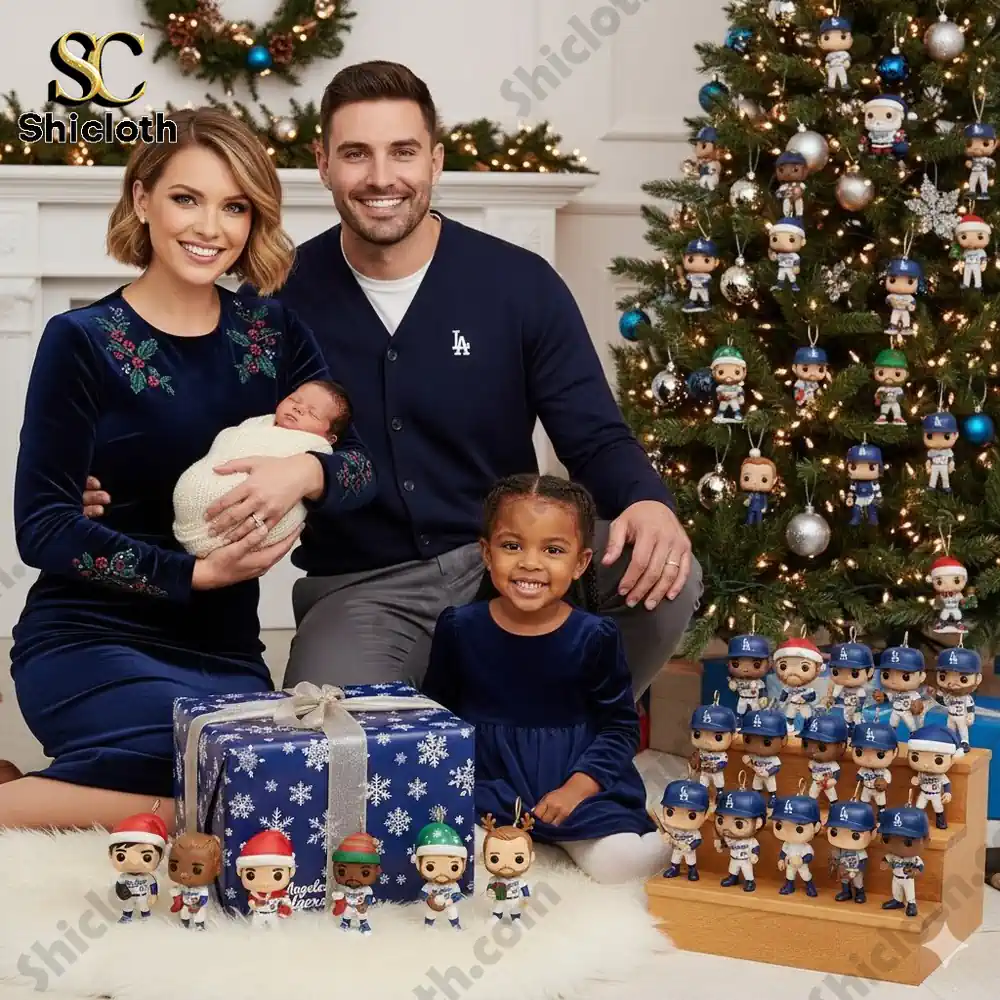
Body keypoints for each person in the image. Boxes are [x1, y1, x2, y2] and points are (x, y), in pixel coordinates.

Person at [83, 60, 701, 698]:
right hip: (360, 590)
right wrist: (108, 490)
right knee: (325, 747)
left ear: (434, 161)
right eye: (356, 154)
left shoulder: (520, 285)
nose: (382, 178)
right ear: (323, 163)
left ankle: (563, 734)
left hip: (511, 552)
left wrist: (647, 501)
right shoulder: (275, 300)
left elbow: (594, 437)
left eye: (402, 152)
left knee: (664, 570)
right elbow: (207, 436)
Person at [1, 108, 376, 831]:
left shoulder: (272, 331)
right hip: (90, 635)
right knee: (241, 797)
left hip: (223, 649)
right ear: (142, 199)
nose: (211, 227)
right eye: (186, 198)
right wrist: (193, 574)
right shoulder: (80, 340)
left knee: (260, 767)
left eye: (234, 206)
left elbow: (361, 472)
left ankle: (56, 795)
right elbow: (42, 528)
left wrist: (305, 473)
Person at [421, 474, 671, 884]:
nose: (530, 563)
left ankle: (672, 836)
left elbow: (620, 728)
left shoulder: (595, 636)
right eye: (512, 546)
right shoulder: (460, 627)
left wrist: (577, 788)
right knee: (450, 858)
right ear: (487, 553)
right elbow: (440, 716)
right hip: (492, 786)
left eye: (553, 549)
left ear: (580, 563)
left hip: (576, 786)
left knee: (620, 866)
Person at [172, 379, 352, 556]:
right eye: (294, 400)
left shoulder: (317, 448)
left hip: (251, 514)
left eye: (312, 413)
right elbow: (228, 443)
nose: (298, 408)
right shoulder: (258, 424)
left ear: (330, 438)